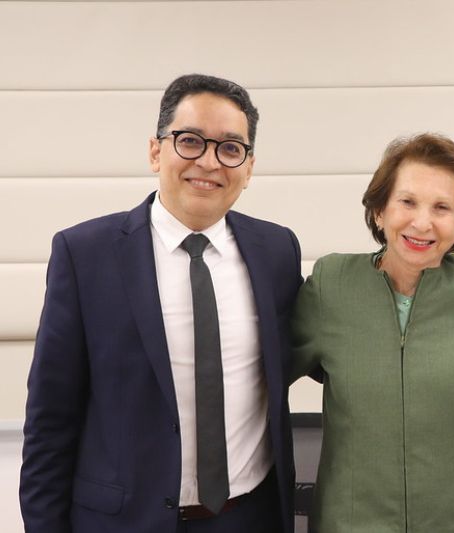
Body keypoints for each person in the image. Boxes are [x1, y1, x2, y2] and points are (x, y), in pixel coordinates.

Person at [19, 74, 302, 533]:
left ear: (249, 168)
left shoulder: (277, 251)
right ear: (155, 151)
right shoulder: (85, 254)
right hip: (124, 521)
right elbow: (50, 420)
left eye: (230, 148)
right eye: (190, 141)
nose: (209, 161)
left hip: (249, 516)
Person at [291, 133, 454, 533]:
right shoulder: (331, 283)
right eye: (407, 202)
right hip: (352, 523)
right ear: (379, 211)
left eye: (442, 207)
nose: (422, 222)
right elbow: (267, 374)